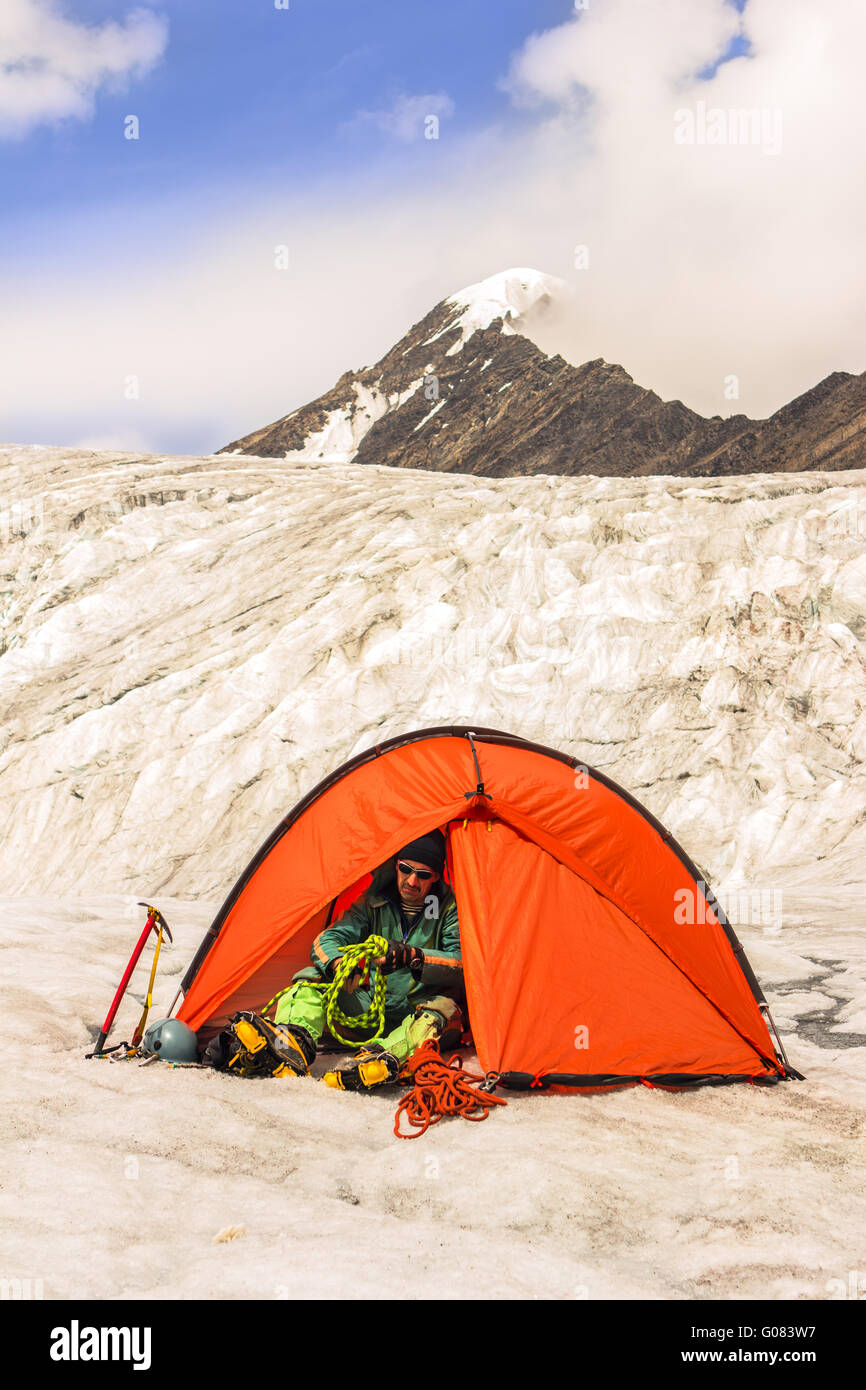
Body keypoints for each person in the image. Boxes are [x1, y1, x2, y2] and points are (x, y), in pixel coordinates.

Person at [273, 829, 464, 1090]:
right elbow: (327, 939)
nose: (412, 881)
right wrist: (339, 964)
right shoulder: (373, 901)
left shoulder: (449, 909)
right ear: (396, 866)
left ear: (435, 877)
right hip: (371, 1006)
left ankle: (379, 1059)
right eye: (405, 869)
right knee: (312, 977)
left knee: (444, 1008)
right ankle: (289, 1043)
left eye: (422, 875)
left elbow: (462, 964)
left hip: (416, 1011)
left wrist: (413, 957)